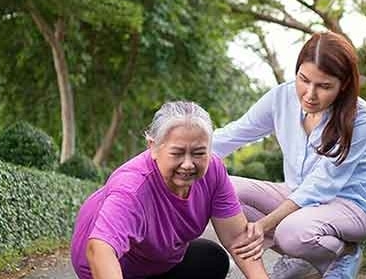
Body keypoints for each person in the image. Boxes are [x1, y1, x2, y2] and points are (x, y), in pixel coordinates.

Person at [212, 32, 366, 279]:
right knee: (225, 190)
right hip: (296, 194)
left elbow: (321, 185)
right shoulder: (282, 97)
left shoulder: (361, 118)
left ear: (343, 85)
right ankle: (304, 259)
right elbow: (234, 134)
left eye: (324, 86)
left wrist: (265, 224)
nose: (310, 94)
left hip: (349, 205)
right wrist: (168, 156)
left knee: (291, 232)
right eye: (304, 79)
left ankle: (342, 254)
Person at [70, 101, 269, 279]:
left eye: (199, 153)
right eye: (177, 153)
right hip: (110, 267)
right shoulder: (132, 188)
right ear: (153, 147)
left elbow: (237, 239)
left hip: (157, 261)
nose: (188, 164)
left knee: (211, 259)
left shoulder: (213, 171)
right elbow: (99, 249)